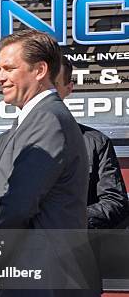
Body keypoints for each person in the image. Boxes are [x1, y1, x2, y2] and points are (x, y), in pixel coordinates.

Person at [0, 30, 101, 297]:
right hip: (52, 292)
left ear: (40, 69)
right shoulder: (43, 120)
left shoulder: (46, 121)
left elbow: (16, 204)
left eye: (9, 68)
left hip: (37, 290)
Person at [54, 56, 129, 229]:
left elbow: (115, 202)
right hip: (21, 249)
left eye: (54, 86)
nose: (46, 94)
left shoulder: (96, 142)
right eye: (41, 87)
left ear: (69, 88)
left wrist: (66, 220)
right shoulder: (6, 142)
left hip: (78, 249)